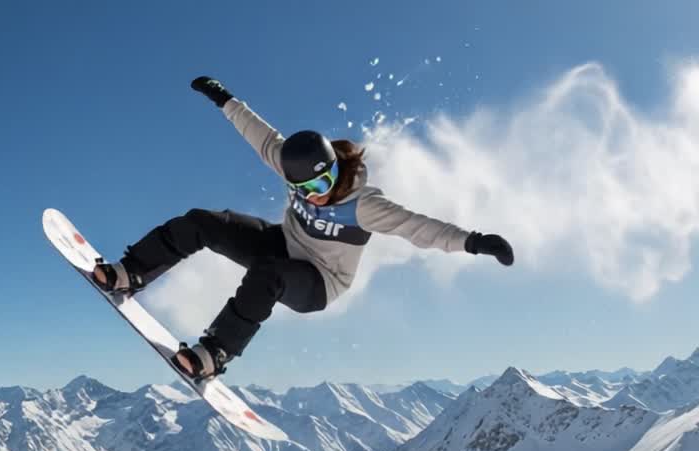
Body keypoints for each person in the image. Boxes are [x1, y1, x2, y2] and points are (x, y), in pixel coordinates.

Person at [92, 76, 514, 380]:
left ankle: (215, 353)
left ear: (334, 172)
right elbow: (260, 135)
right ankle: (133, 271)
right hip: (283, 243)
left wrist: (475, 242)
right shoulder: (293, 170)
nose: (313, 196)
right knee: (204, 222)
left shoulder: (364, 205)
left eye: (321, 185)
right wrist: (223, 99)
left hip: (319, 281)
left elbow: (418, 228)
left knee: (269, 275)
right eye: (302, 189)